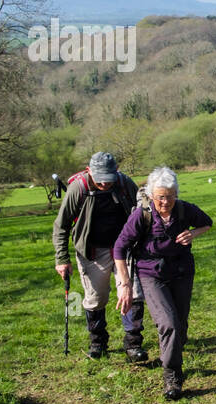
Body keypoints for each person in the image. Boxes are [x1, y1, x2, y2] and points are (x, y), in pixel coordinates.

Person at [114, 167, 212, 400]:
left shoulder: (184, 209)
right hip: (151, 274)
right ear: (151, 195)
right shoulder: (142, 214)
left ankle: (172, 354)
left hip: (182, 272)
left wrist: (193, 234)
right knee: (169, 324)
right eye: (160, 196)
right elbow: (119, 247)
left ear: (176, 194)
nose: (165, 201)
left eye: (169, 195)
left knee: (180, 324)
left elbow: (207, 223)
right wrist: (125, 284)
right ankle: (172, 377)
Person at [53, 152, 149, 362]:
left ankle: (133, 344)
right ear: (89, 172)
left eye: (109, 178)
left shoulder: (124, 183)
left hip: (124, 248)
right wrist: (61, 258)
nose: (105, 183)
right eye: (100, 178)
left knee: (133, 293)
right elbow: (61, 225)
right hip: (92, 251)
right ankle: (98, 342)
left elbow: (141, 208)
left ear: (116, 172)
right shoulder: (78, 188)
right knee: (96, 298)